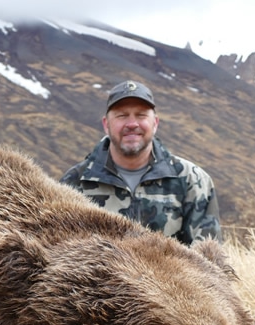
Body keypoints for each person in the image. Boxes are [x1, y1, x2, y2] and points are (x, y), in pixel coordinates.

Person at [61, 79, 222, 245]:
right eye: (122, 115)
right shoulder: (74, 183)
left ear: (155, 123)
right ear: (106, 124)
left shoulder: (193, 181)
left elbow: (208, 260)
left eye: (141, 115)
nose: (132, 124)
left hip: (171, 271)